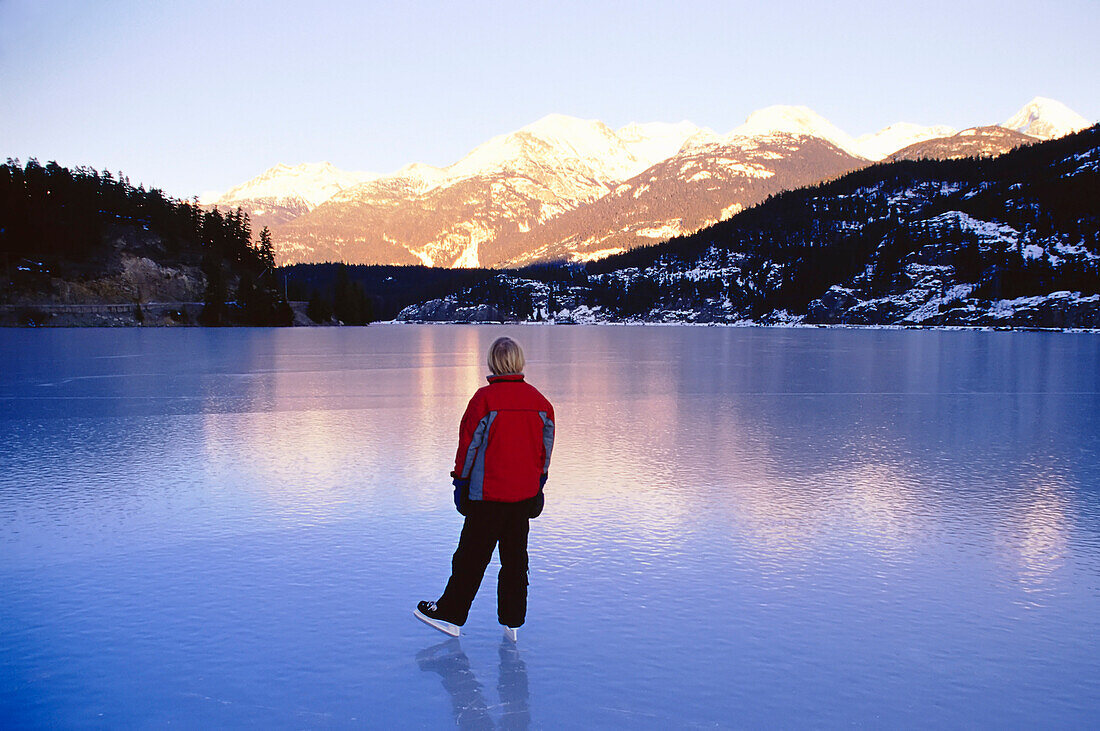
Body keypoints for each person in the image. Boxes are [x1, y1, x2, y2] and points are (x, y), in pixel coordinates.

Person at [416, 336, 555, 642]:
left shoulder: (484, 400)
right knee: (515, 561)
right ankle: (512, 621)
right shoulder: (541, 403)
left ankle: (451, 615)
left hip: (488, 495)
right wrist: (539, 485)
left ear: (493, 362)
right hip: (522, 497)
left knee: (471, 558)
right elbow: (544, 452)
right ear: (519, 362)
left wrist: (460, 483)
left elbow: (468, 446)